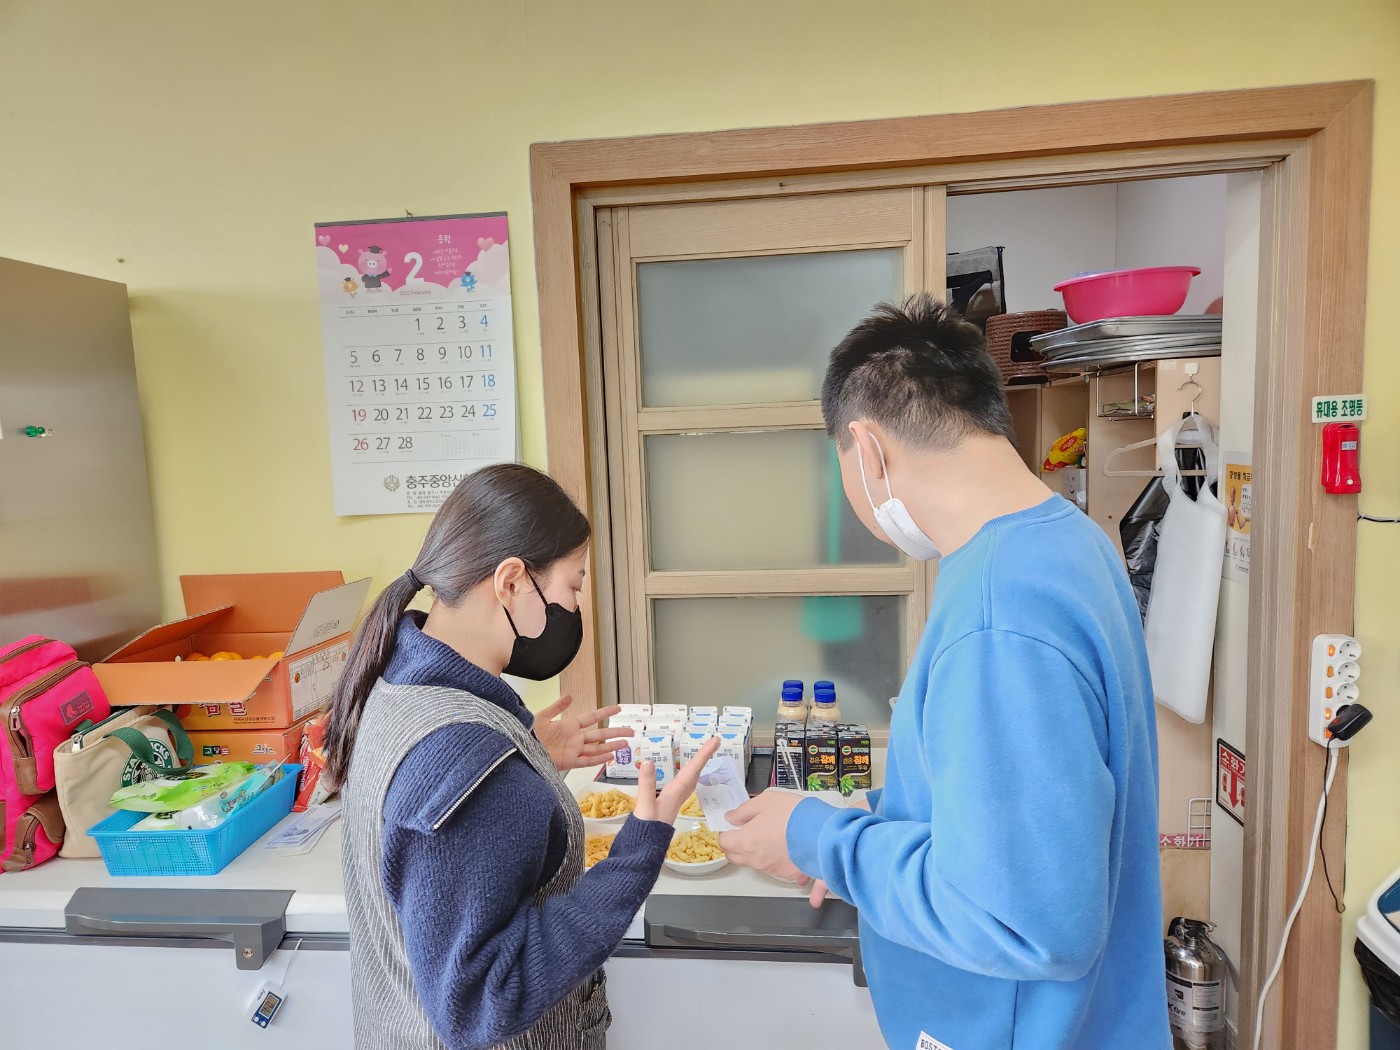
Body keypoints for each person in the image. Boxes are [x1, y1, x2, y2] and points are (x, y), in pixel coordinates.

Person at [718, 294, 1171, 1049]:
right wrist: (863, 821)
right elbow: (1015, 808)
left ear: (867, 448)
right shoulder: (1067, 541)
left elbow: (1023, 923)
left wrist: (823, 841)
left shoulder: (1000, 611)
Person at [327, 463, 718, 1050]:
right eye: (573, 586)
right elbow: (483, 998)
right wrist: (638, 850)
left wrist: (522, 753)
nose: (575, 607)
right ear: (511, 581)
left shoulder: (395, 683)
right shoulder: (466, 762)